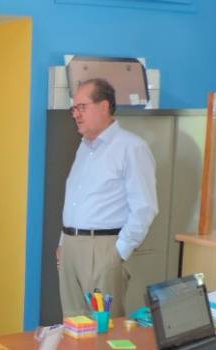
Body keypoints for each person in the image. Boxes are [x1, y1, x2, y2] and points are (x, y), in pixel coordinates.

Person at [56, 78, 158, 318]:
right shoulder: (84, 148)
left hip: (103, 249)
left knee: (104, 327)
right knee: (73, 325)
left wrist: (118, 253)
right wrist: (63, 242)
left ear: (104, 106)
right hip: (71, 248)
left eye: (82, 107)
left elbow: (144, 208)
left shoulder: (131, 147)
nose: (75, 114)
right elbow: (75, 200)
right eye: (74, 108)